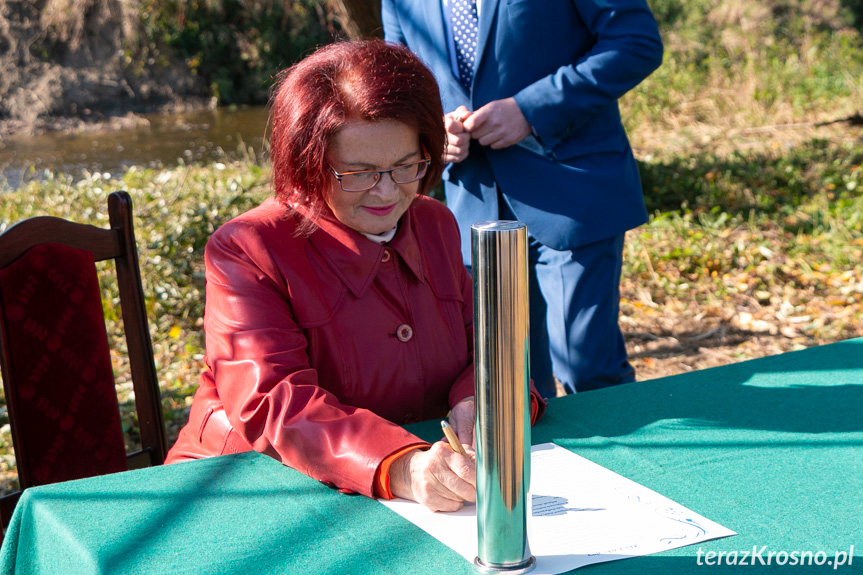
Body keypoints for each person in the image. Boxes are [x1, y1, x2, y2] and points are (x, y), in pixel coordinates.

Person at [165, 39, 545, 513]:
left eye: (406, 165)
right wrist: (400, 466)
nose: (387, 191)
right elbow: (274, 402)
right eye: (358, 173)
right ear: (308, 164)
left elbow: (488, 351)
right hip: (242, 491)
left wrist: (481, 405)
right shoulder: (247, 248)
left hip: (405, 497)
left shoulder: (433, 224)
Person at [382, 0, 664, 397]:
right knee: (510, 386)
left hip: (570, 191)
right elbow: (400, 83)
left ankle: (635, 460)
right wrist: (431, 129)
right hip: (472, 204)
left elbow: (635, 42)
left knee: (587, 369)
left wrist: (531, 110)